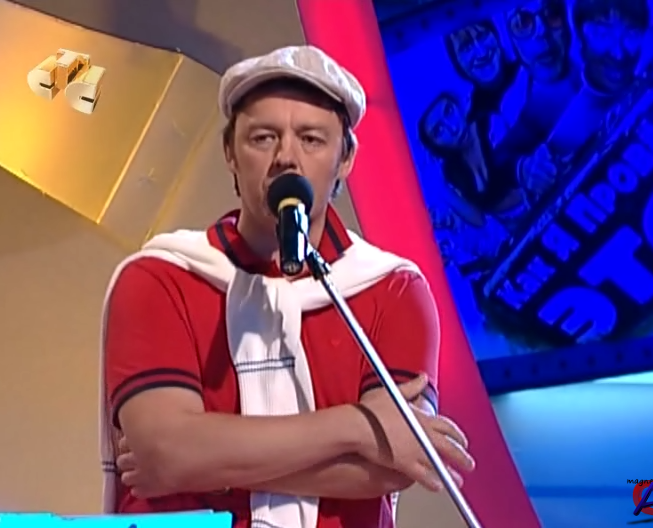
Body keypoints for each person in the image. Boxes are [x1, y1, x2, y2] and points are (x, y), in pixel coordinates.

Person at [99, 45, 475, 528]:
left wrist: (205, 461)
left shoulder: (394, 288)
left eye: (312, 139)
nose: (286, 158)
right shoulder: (161, 276)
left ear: (345, 158)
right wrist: (356, 425)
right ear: (230, 153)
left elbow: (395, 465)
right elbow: (165, 453)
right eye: (263, 137)